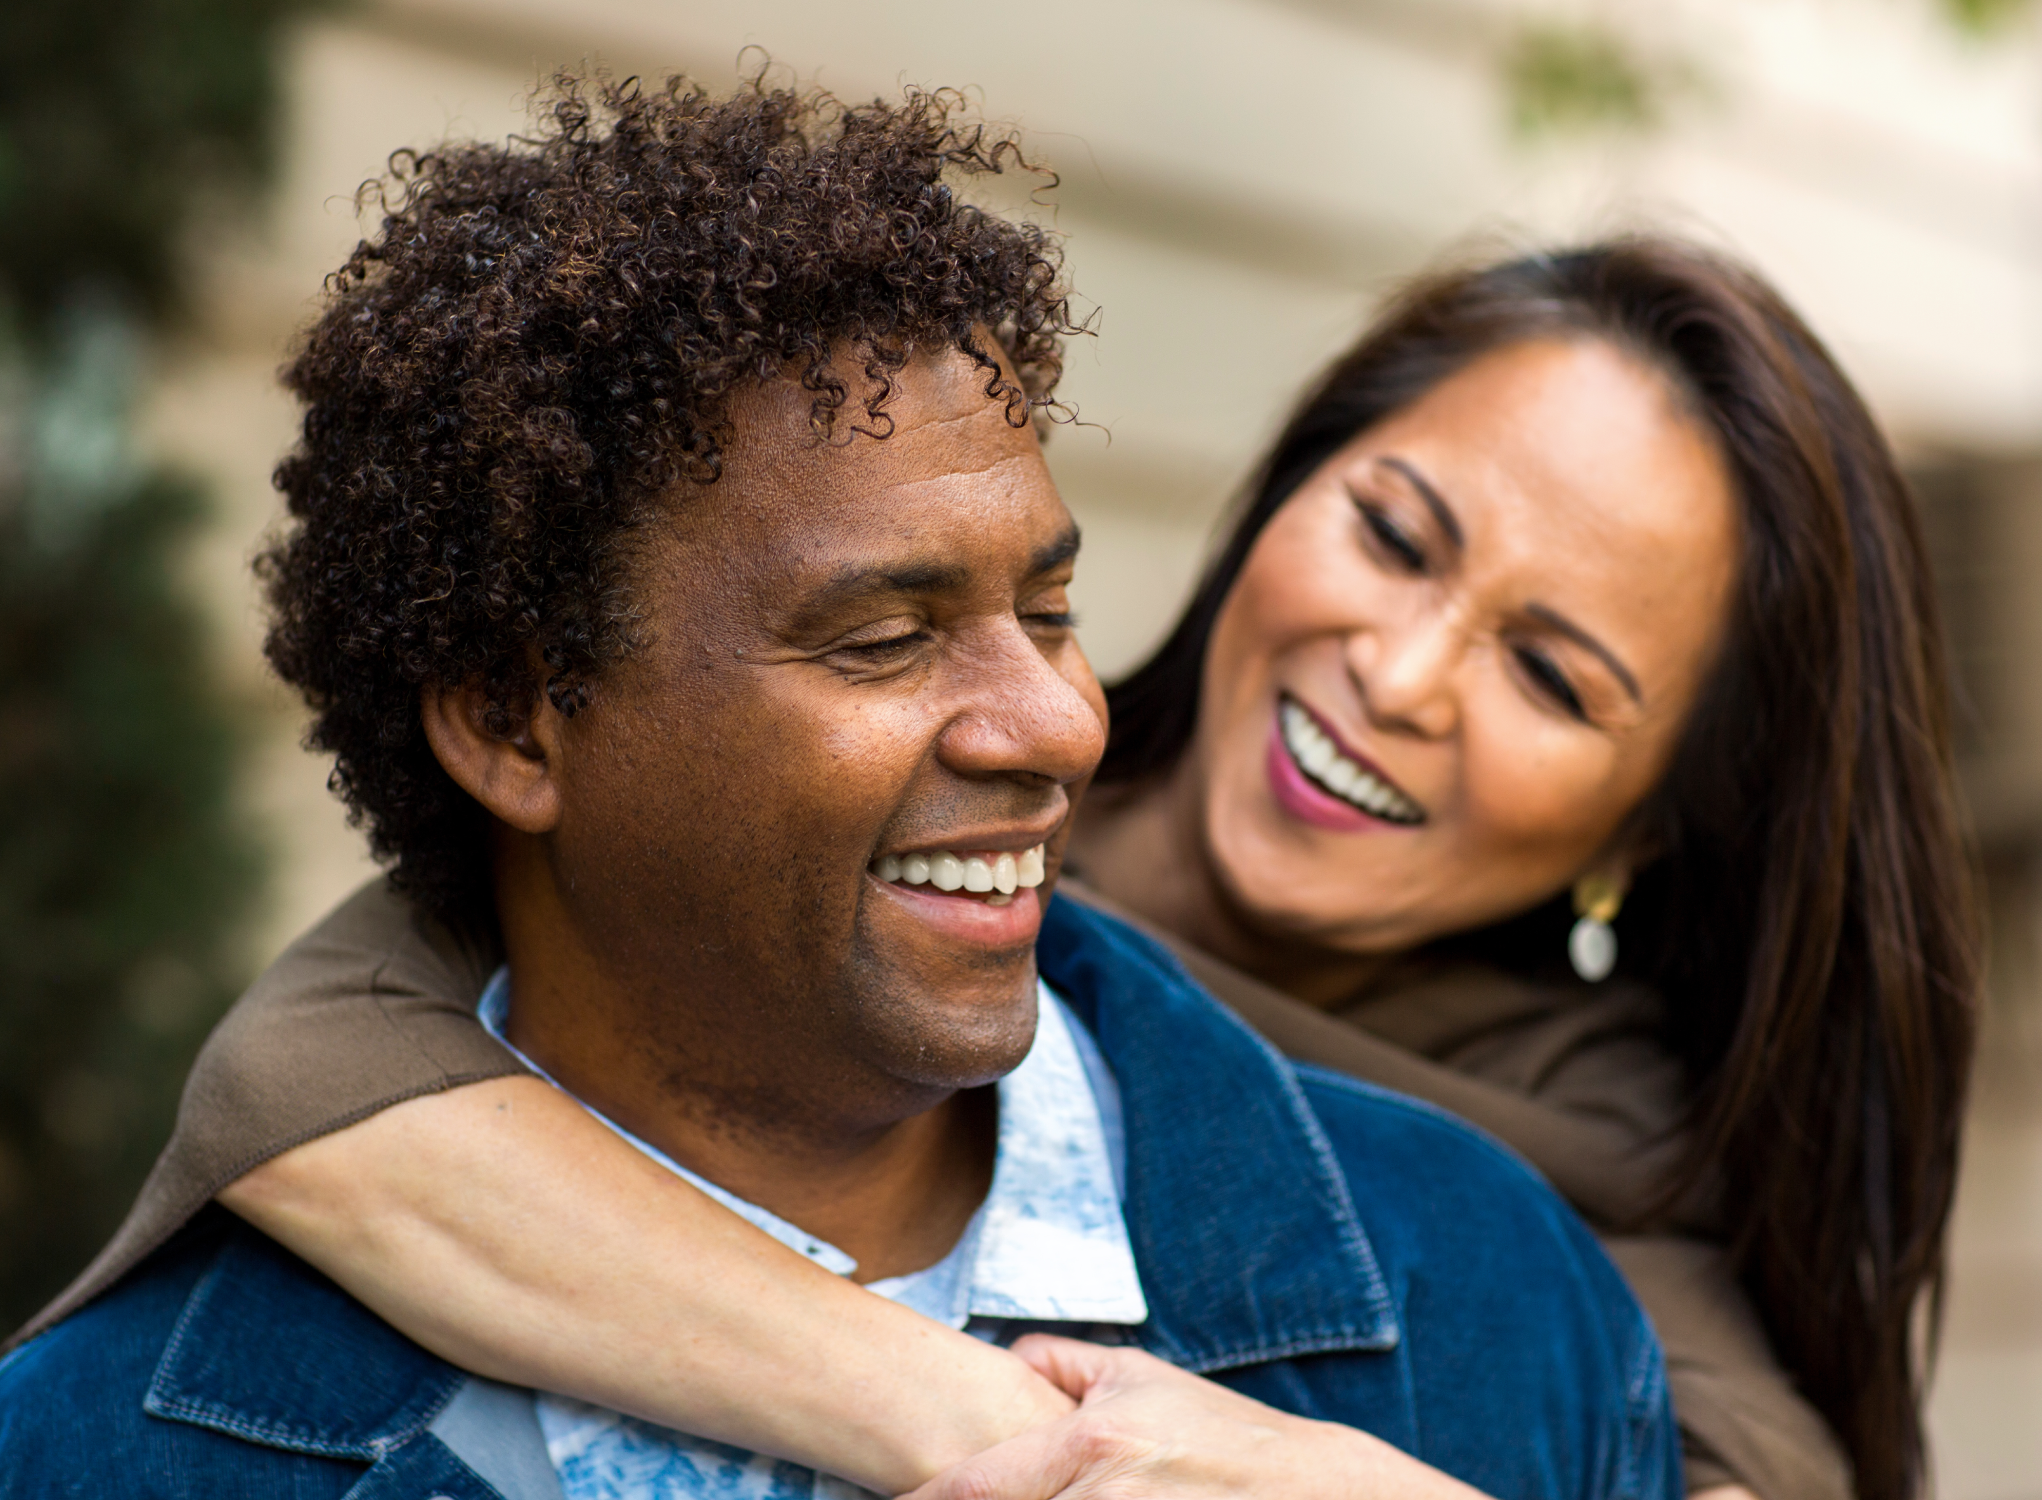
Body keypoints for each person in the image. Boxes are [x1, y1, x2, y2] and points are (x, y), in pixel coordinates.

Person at [7, 83, 1973, 1500]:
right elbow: (316, 1087)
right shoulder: (142, 1403)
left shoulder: (1549, 1282)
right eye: (1391, 531)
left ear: (1646, 832)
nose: (1401, 669)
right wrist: (963, 1419)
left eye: (1553, 675)